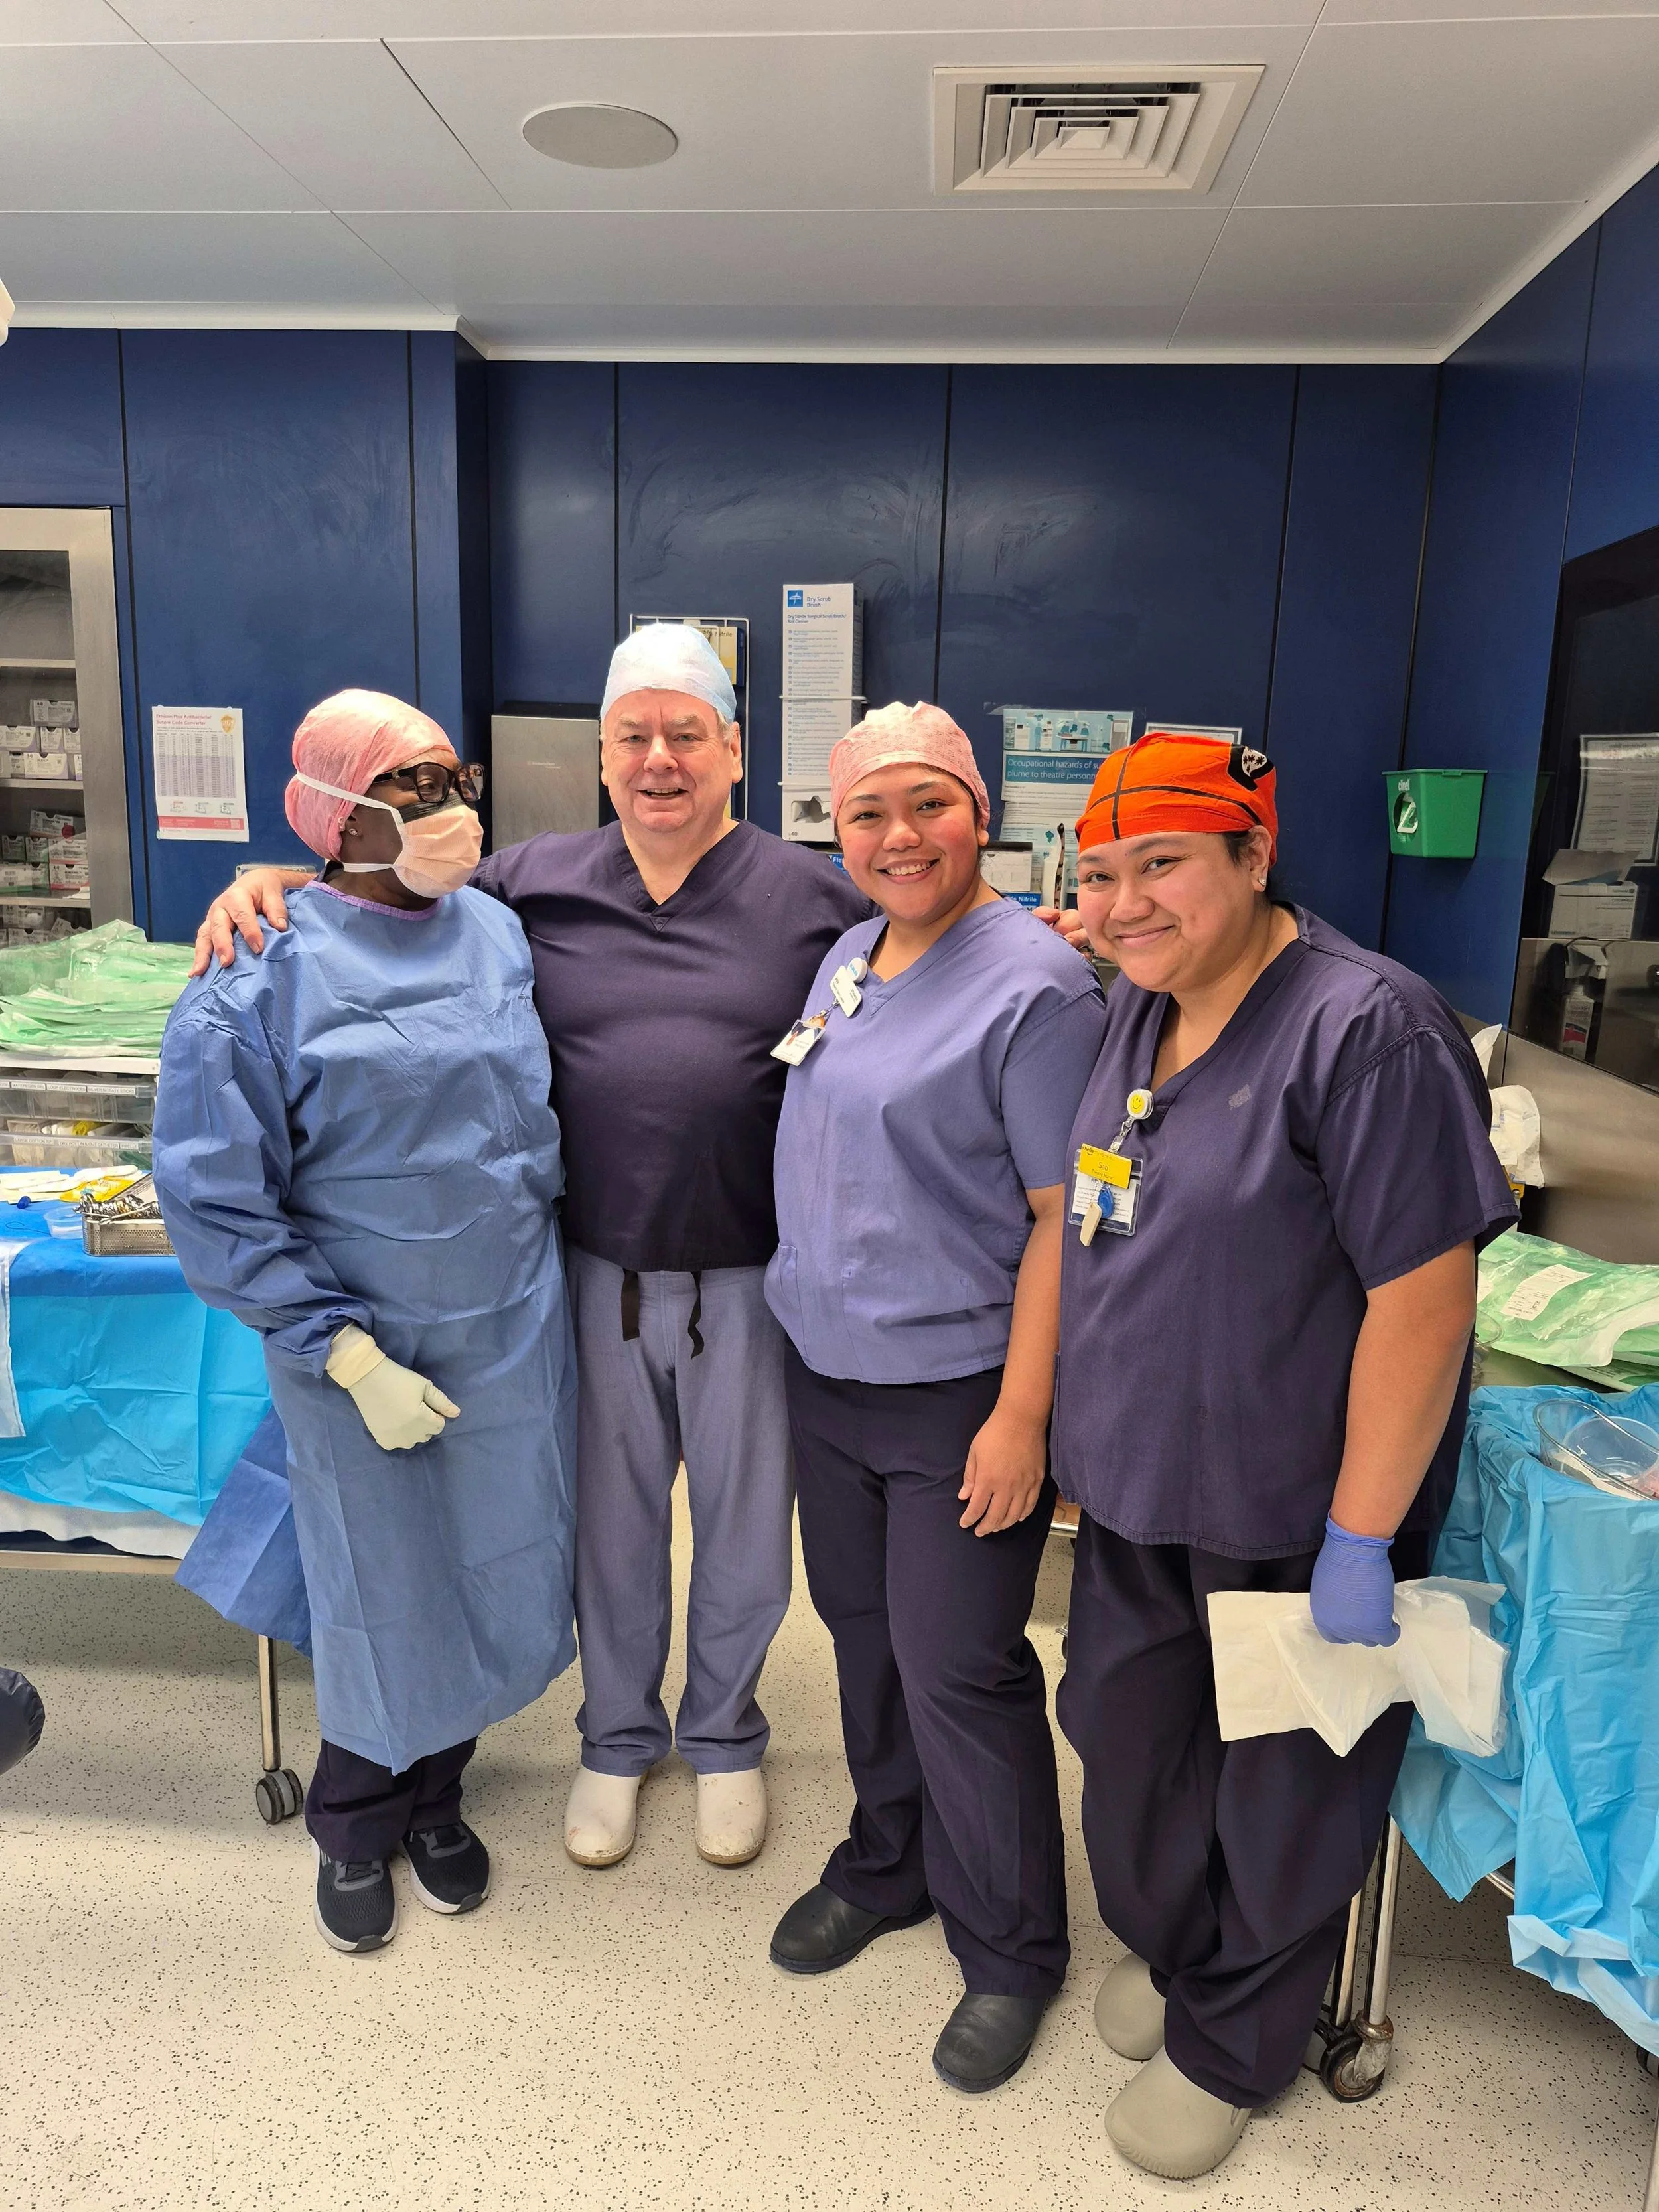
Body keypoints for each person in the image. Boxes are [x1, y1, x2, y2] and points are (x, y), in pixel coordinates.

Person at [189, 628, 871, 1872]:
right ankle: (615, 1740)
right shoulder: (527, 886)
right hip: (591, 1278)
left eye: (687, 734)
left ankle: (723, 1739)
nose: (659, 760)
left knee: (740, 1535)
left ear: (734, 750)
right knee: (607, 1533)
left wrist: (1030, 924)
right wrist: (270, 879)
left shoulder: (821, 898)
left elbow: (932, 954)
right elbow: (374, 890)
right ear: (603, 758)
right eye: (632, 737)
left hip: (748, 1277)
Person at [1051, 731, 1516, 2176]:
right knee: (1127, 1755)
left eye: (1163, 866)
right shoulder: (1138, 1008)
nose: (1125, 902)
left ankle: (1235, 2035)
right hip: (1134, 1489)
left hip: (1291, 1505)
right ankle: (1182, 1949)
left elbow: (1424, 1298)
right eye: (1102, 873)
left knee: (1281, 1789)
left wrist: (1362, 1534)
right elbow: (1099, 1221)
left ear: (1254, 857)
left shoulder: (1366, 1029)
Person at [154, 690, 578, 1955]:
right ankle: (352, 1819)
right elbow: (215, 1197)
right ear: (340, 818)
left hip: (509, 1325)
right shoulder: (258, 972)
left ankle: (440, 1797)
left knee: (495, 1559)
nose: (453, 814)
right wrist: (341, 1348)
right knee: (379, 1576)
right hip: (356, 1349)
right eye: (416, 792)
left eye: (458, 783)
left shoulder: (498, 931)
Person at [764, 703, 1108, 2095]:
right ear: (836, 831)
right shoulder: (851, 955)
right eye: (867, 815)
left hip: (956, 1389)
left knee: (960, 1663)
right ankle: (887, 1856)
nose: (898, 837)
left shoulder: (1036, 987)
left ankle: (1014, 1944)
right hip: (824, 1373)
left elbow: (1062, 1216)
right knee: (862, 1637)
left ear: (980, 814)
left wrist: (1024, 1416)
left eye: (927, 807)